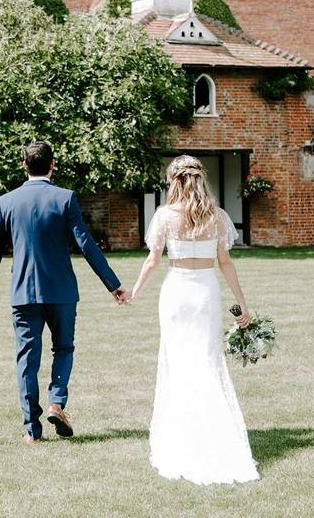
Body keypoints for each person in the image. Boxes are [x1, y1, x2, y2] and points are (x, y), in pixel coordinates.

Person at [0, 141, 129, 444]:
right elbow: (86, 244)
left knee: (27, 360)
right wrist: (113, 284)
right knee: (64, 349)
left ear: (24, 166)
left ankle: (32, 431)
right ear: (53, 165)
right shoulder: (65, 198)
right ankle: (56, 402)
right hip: (61, 291)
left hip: (23, 294)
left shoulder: (7, 201)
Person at [130, 155, 260, 484]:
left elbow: (152, 261)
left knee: (178, 363)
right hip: (205, 294)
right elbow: (226, 264)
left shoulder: (164, 216)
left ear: (174, 181)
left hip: (175, 294)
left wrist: (133, 292)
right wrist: (242, 304)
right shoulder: (217, 217)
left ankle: (182, 438)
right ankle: (212, 436)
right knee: (206, 361)